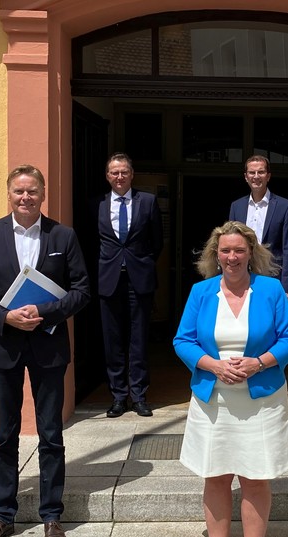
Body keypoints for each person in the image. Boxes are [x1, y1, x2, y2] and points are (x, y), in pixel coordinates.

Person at [173, 222, 288, 537]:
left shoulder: (271, 290)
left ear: (251, 253)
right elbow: (183, 340)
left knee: (256, 479)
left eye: (239, 250)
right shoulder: (200, 292)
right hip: (214, 400)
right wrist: (212, 365)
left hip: (260, 399)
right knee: (215, 477)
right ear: (216, 255)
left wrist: (259, 363)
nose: (231, 257)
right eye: (224, 251)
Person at [0, 165, 91, 537]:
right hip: (3, 346)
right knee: (6, 435)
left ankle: (52, 516)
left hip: (48, 345)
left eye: (32, 191)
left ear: (43, 194)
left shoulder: (62, 236)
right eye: (19, 191)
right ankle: (2, 515)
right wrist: (4, 317)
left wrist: (46, 312)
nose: (25, 197)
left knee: (51, 434)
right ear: (8, 194)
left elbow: (82, 290)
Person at [97, 152, 164, 418]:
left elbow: (156, 241)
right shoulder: (97, 204)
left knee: (138, 340)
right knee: (112, 341)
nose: (120, 176)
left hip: (140, 279)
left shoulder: (147, 201)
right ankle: (118, 397)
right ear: (108, 176)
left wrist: (141, 263)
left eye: (124, 171)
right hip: (108, 280)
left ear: (132, 174)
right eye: (115, 172)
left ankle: (138, 395)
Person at [227, 155, 288, 299]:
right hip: (241, 274)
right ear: (246, 177)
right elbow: (230, 244)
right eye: (252, 173)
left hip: (272, 276)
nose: (256, 176)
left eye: (261, 172)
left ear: (268, 176)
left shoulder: (285, 206)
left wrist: (286, 288)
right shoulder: (237, 206)